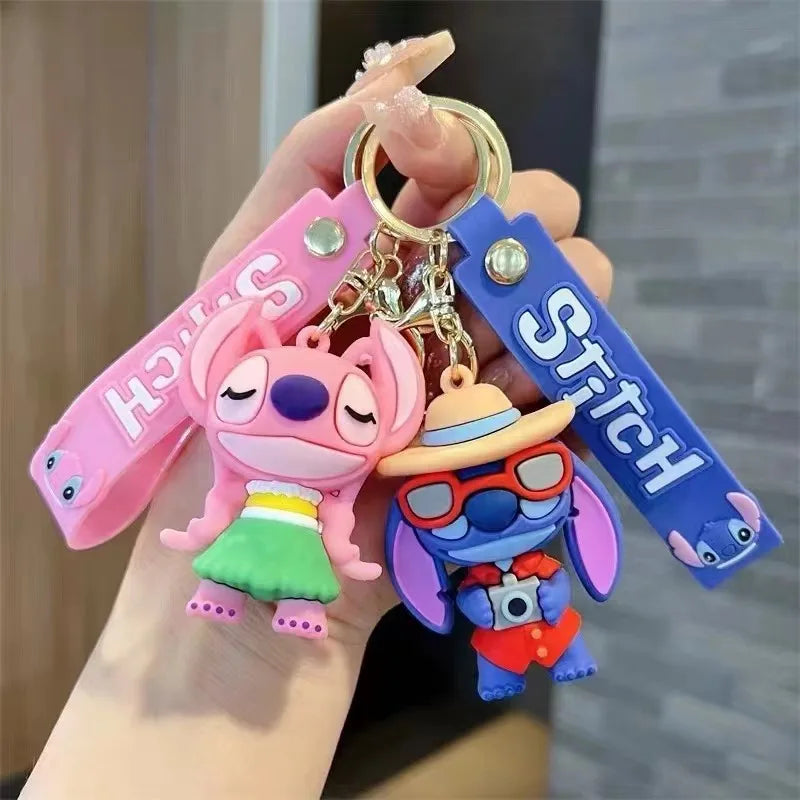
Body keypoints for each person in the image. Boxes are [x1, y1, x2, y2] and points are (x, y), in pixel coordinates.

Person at [22, 31, 613, 799]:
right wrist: (195, 543)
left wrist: (349, 562)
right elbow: (222, 497)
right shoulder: (252, 437)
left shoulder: (353, 465)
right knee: (230, 573)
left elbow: (319, 513)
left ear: (387, 412)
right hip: (265, 542)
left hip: (304, 554)